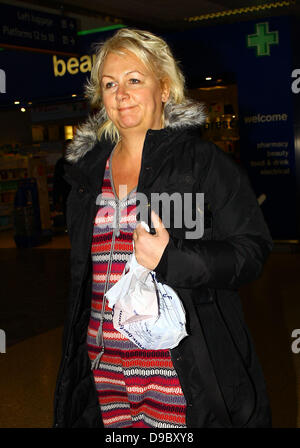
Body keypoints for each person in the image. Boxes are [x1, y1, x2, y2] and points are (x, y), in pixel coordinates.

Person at [53, 28, 273, 428]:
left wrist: (173, 260)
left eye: (134, 80)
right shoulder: (85, 176)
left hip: (180, 376)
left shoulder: (203, 164)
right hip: (105, 377)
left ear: (165, 89)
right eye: (109, 84)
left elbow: (252, 251)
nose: (121, 94)